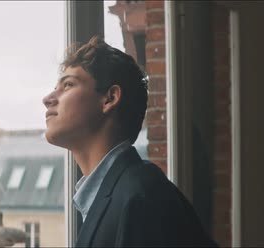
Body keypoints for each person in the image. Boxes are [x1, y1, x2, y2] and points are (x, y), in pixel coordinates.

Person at [42, 36, 217, 247]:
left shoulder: (141, 196)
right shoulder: (123, 192)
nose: (48, 98)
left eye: (68, 84)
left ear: (110, 98)